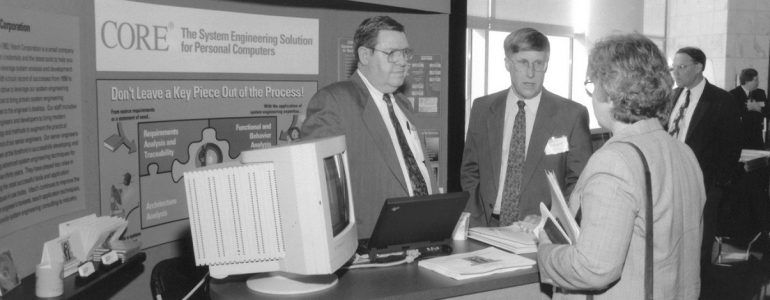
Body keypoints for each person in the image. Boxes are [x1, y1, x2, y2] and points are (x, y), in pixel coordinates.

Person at [537, 33, 705, 299]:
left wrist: (545, 250)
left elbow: (594, 269)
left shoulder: (615, 161)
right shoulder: (683, 152)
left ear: (611, 90)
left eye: (593, 84)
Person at [301, 16, 436, 238]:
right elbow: (318, 186)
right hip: (369, 244)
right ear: (365, 55)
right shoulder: (334, 101)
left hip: (422, 235)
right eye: (392, 53)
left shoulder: (403, 104)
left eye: (405, 53)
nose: (402, 61)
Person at [460, 27, 592, 228]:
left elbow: (579, 185)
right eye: (523, 63)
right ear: (507, 64)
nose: (531, 73)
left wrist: (550, 221)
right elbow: (470, 170)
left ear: (546, 65)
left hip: (539, 233)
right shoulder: (482, 108)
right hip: (486, 228)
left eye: (538, 64)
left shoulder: (571, 115)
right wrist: (476, 220)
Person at [667, 46, 741, 267]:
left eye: (682, 67)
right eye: (674, 68)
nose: (676, 73)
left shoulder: (721, 100)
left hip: (704, 183)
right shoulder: (673, 96)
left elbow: (732, 145)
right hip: (670, 181)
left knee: (699, 241)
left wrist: (717, 184)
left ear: (699, 67)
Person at [729, 68, 768, 150]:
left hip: (757, 137)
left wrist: (759, 108)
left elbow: (768, 111)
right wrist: (747, 108)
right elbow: (731, 115)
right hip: (740, 137)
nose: (758, 82)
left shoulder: (760, 93)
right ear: (747, 81)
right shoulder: (733, 94)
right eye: (755, 80)